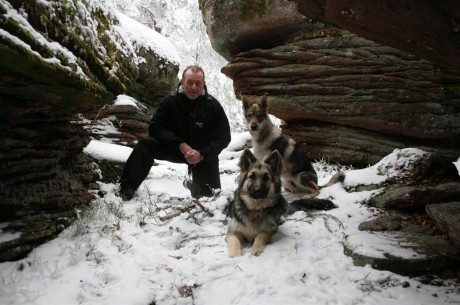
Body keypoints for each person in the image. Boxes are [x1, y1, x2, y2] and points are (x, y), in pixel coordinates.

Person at [118, 65, 231, 200]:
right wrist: (180, 144)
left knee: (209, 199)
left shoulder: (213, 106)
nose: (193, 87)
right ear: (182, 82)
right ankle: (126, 188)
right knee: (146, 144)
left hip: (203, 156)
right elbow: (154, 127)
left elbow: (224, 137)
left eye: (198, 83)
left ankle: (201, 191)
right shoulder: (170, 101)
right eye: (189, 82)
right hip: (175, 149)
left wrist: (202, 154)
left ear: (204, 84)